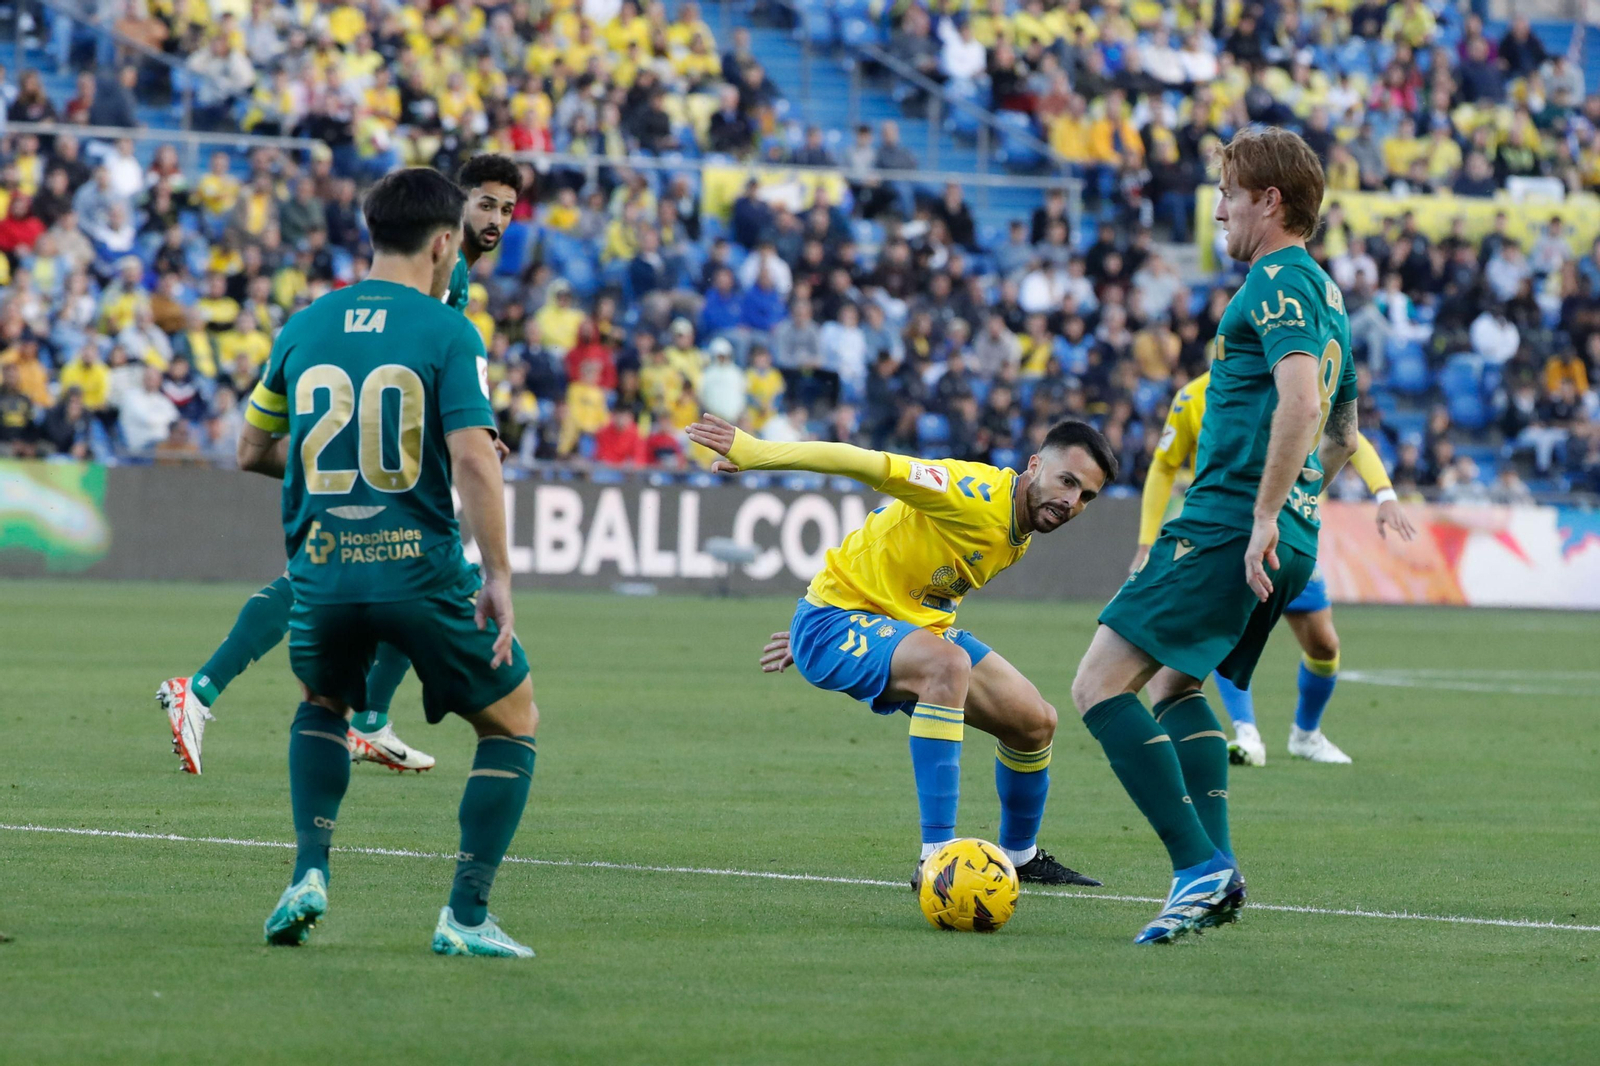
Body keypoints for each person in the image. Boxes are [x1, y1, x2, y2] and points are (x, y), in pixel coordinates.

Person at [232, 167, 538, 957]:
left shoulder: (303, 327)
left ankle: (307, 873)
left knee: (322, 705)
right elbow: (474, 458)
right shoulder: (447, 332)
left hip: (325, 570)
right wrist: (499, 575)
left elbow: (250, 449)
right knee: (512, 722)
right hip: (419, 569)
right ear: (444, 243)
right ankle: (464, 917)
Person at [1069, 128, 1362, 944]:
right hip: (1277, 529)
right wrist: (1297, 507)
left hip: (1230, 519)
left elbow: (1305, 406)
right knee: (1174, 688)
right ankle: (1218, 874)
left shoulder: (1275, 281)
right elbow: (1343, 432)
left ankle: (1197, 869)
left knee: (1098, 687)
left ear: (1271, 200)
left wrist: (1264, 512)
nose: (1220, 208)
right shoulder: (1328, 294)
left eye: (1229, 191)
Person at [157, 155, 524, 776]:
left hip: (372, 425)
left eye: (507, 209)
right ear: (454, 208)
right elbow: (412, 352)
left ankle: (368, 720)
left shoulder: (449, 269)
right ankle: (208, 687)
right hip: (373, 436)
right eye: (484, 203)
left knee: (394, 569)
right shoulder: (448, 270)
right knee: (384, 571)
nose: (494, 219)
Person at [686, 412, 1117, 889]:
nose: (1071, 501)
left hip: (896, 627)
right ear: (1034, 465)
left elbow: (895, 560)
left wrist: (868, 641)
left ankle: (1019, 856)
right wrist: (758, 453)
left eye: (1086, 497)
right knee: (947, 664)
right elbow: (865, 462)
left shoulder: (1023, 526)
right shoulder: (966, 491)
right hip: (836, 621)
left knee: (1036, 722)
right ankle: (937, 859)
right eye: (1067, 482)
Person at [1134, 366, 1417, 766]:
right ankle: (1246, 733)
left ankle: (1306, 734)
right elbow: (1164, 465)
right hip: (1228, 533)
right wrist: (1146, 541)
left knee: (1323, 645)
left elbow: (1347, 435)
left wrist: (1385, 493)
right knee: (1228, 632)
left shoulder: (1289, 385)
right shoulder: (1193, 397)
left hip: (1292, 533)